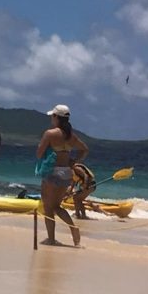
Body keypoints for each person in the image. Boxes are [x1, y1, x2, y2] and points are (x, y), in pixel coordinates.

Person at [35, 104, 89, 246]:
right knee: (57, 206)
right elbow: (84, 149)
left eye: (52, 116)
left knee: (48, 208)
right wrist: (74, 161)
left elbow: (39, 153)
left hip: (52, 171)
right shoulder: (71, 136)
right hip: (66, 172)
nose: (51, 119)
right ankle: (72, 227)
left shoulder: (50, 134)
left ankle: (51, 238)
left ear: (56, 117)